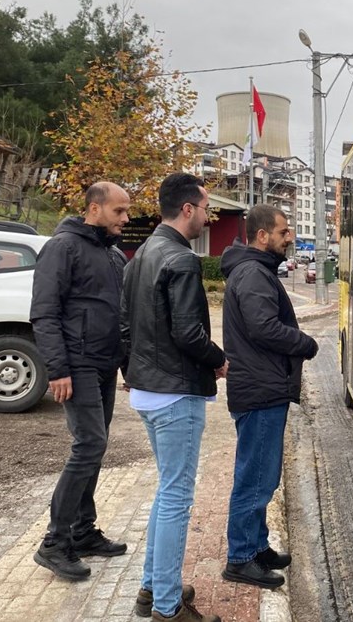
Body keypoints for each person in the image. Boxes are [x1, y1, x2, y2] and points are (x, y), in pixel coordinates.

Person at [121, 173, 227, 622]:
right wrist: (218, 359)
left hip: (147, 391)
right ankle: (167, 608)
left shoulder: (140, 254)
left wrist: (134, 374)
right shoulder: (181, 259)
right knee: (177, 498)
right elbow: (188, 332)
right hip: (173, 394)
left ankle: (153, 589)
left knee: (167, 494)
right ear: (188, 209)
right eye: (206, 208)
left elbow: (124, 328)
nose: (208, 216)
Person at [30, 182, 131, 582]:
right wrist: (58, 370)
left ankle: (83, 531)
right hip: (77, 364)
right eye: (119, 212)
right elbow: (44, 313)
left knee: (96, 446)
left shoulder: (111, 253)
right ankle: (55, 542)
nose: (125, 219)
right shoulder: (62, 248)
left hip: (104, 365)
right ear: (94, 209)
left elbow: (119, 315)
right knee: (89, 444)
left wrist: (126, 367)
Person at [219, 204, 319, 589]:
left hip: (261, 386)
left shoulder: (253, 270)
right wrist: (305, 343)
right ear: (262, 236)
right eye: (283, 232)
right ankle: (241, 557)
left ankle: (256, 546)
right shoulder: (253, 273)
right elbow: (264, 328)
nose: (289, 238)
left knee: (262, 474)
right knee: (256, 478)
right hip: (260, 389)